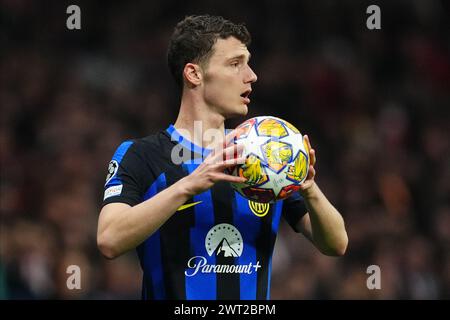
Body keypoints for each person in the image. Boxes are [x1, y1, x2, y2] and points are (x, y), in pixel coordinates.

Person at [97, 14, 348, 300]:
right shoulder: (143, 155)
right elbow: (109, 240)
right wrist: (189, 186)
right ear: (194, 74)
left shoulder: (264, 160)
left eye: (248, 63)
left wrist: (309, 188)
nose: (251, 75)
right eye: (235, 64)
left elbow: (336, 245)